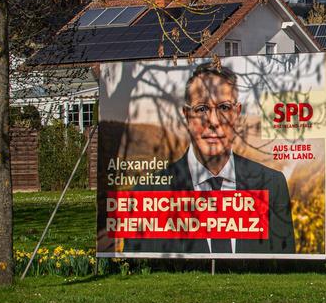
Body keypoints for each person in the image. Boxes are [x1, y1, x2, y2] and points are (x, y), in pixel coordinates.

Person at [122, 62, 294, 254]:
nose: (213, 121)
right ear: (187, 116)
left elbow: (284, 268)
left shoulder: (271, 184)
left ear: (237, 114)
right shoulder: (147, 195)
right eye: (202, 109)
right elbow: (140, 270)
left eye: (224, 108)